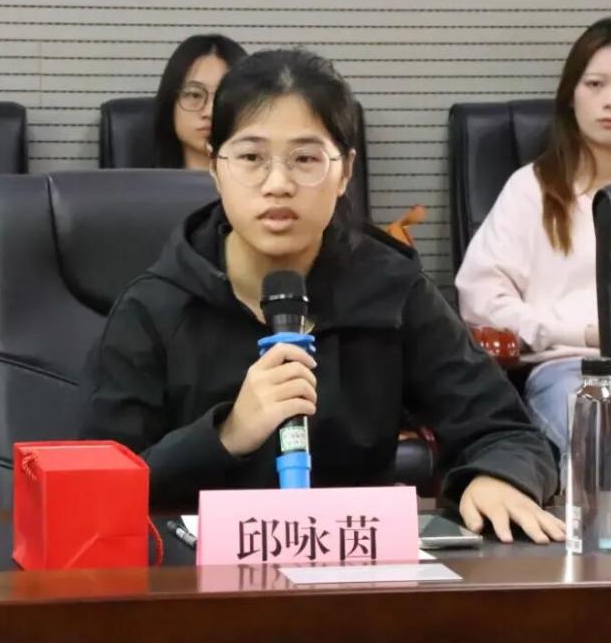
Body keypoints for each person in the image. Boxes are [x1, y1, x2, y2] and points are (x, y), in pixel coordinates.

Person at [80, 48, 564, 544]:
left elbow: (506, 431)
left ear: (346, 171)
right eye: (251, 158)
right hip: (189, 579)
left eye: (306, 159)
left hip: (352, 572)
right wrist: (227, 434)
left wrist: (497, 477)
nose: (278, 184)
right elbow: (94, 490)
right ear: (215, 166)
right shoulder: (155, 306)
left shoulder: (390, 289)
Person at [455, 17, 611, 478]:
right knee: (599, 439)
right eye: (596, 84)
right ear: (571, 95)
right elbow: (482, 300)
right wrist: (579, 333)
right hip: (569, 369)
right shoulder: (531, 188)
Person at [151, 34, 247, 170]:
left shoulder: (272, 181)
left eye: (224, 97)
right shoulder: (143, 183)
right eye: (195, 95)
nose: (209, 112)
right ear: (170, 103)